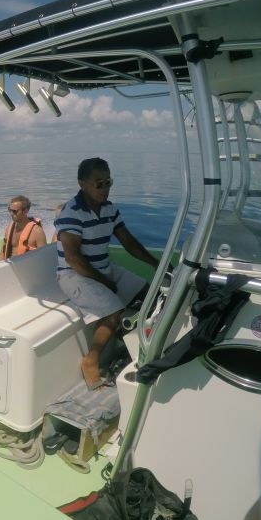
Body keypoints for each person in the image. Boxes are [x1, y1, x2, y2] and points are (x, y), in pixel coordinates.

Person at [55, 157, 159, 391]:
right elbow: (73, 258)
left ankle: (128, 340)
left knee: (148, 293)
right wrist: (104, 281)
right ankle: (90, 361)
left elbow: (129, 242)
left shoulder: (109, 209)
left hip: (103, 267)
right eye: (98, 183)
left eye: (108, 182)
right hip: (73, 275)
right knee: (113, 313)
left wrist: (156, 264)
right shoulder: (71, 213)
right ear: (82, 184)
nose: (104, 188)